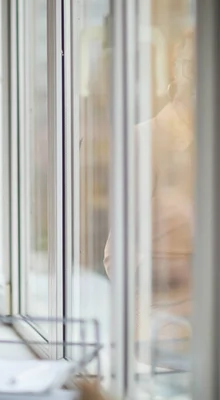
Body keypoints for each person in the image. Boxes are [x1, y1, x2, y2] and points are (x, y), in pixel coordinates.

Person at [103, 29, 194, 367]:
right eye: (190, 66)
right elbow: (118, 257)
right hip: (168, 328)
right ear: (175, 69)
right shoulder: (143, 140)